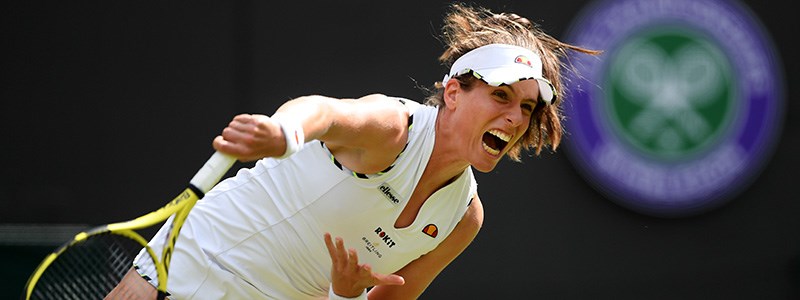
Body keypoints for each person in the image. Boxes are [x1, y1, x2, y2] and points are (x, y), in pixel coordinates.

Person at [108, 3, 599, 299]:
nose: (515, 118)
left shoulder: (462, 219)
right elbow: (321, 111)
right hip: (190, 267)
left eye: (528, 108)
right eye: (500, 95)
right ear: (453, 93)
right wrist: (283, 135)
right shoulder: (392, 128)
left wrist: (347, 295)